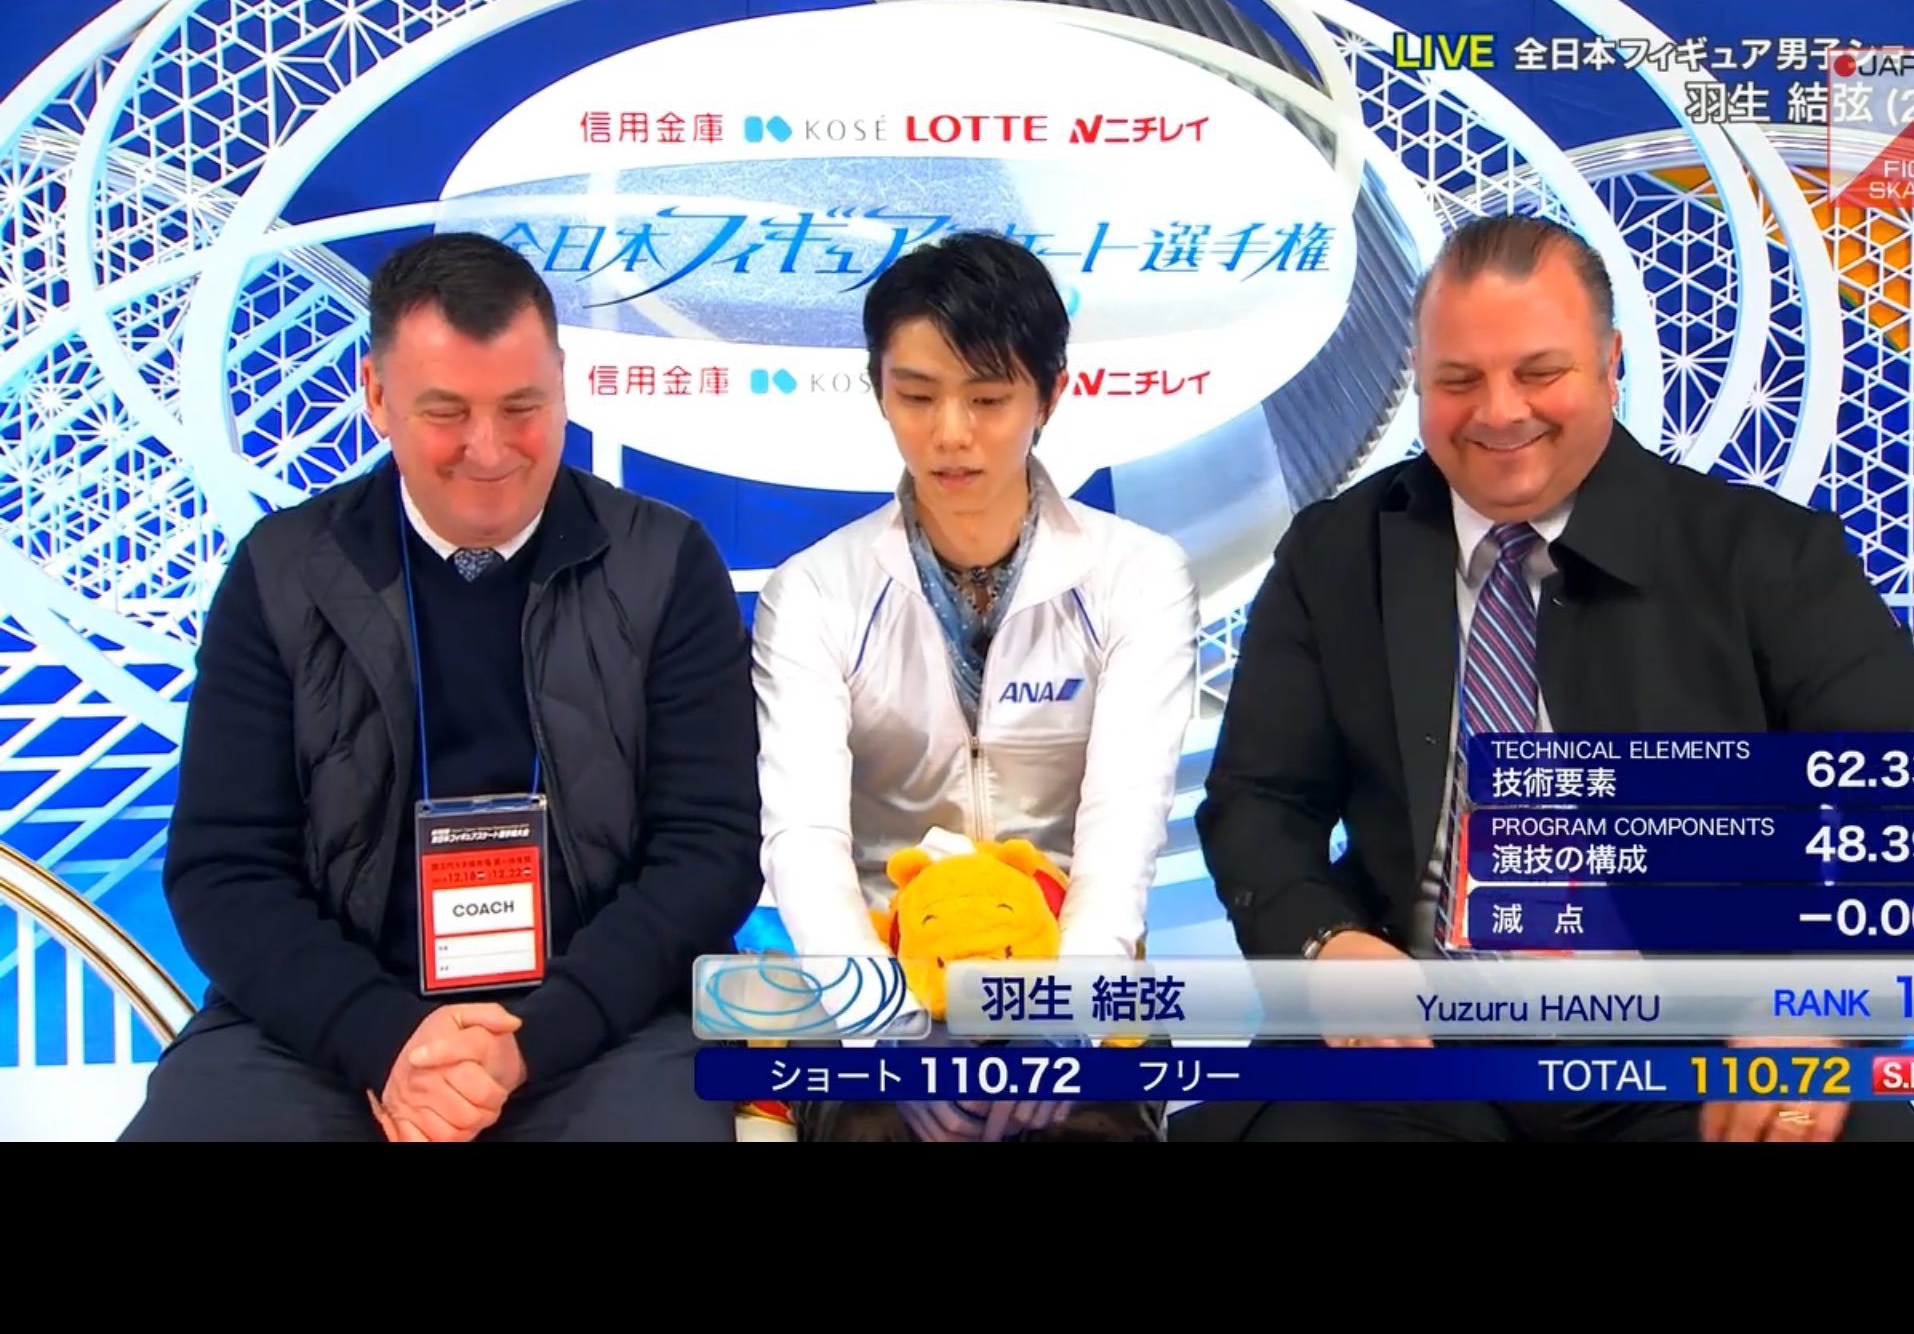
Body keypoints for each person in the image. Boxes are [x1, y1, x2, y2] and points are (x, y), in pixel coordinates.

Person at [1188, 213, 1914, 1144]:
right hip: (1414, 1046)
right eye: (1458, 381)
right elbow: (1260, 800)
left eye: (1540, 373)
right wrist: (1321, 944)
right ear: (1417, 378)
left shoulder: (1762, 554)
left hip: (1699, 1047)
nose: (1500, 412)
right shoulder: (1336, 552)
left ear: (1611, 360)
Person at [121, 231, 763, 1142]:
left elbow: (709, 852)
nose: (490, 449)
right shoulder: (284, 571)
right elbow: (223, 869)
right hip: (330, 1031)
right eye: (447, 411)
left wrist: (529, 1043)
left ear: (565, 384)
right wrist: (388, 1043)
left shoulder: (664, 561)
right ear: (377, 396)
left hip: (603, 1025)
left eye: (522, 405)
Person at [752, 231, 1200, 1142]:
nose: (951, 434)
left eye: (989, 399)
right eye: (917, 396)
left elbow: (1123, 829)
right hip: (885, 966)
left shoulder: (1139, 577)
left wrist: (1058, 1028)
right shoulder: (813, 591)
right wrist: (888, 1035)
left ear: (1052, 394)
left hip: (1072, 963)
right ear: (879, 391)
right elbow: (803, 842)